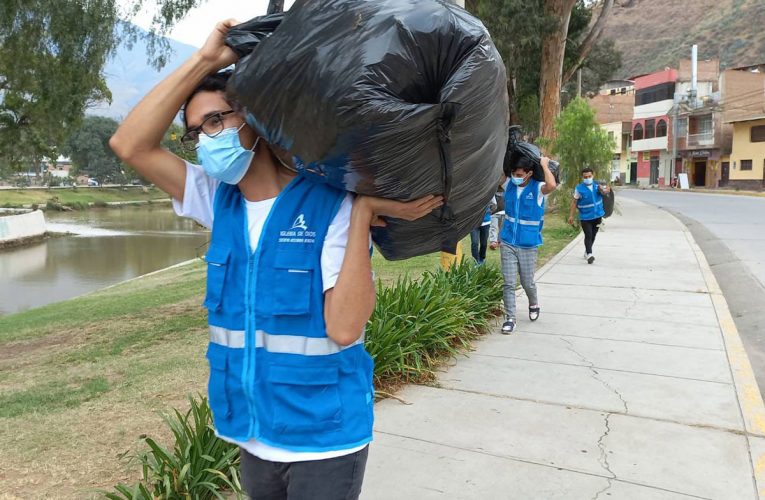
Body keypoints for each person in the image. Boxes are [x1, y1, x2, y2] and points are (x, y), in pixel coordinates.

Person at [109, 19, 443, 500]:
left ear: (255, 120)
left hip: (324, 436)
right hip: (252, 432)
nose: (208, 138)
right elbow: (130, 145)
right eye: (196, 132)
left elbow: (345, 328)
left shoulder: (331, 203)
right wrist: (206, 60)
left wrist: (363, 212)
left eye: (217, 120)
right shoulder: (215, 199)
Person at [499, 156, 556, 334]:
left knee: (527, 282)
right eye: (513, 174)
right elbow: (496, 173)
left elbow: (552, 186)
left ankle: (534, 303)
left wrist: (544, 165)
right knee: (508, 283)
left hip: (528, 245)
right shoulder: (509, 185)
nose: (515, 177)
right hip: (508, 241)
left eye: (519, 174)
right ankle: (510, 318)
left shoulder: (537, 188)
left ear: (529, 174)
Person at [568, 167, 610, 265]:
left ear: (593, 175)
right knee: (588, 235)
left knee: (594, 235)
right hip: (585, 217)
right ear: (582, 177)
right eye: (585, 177)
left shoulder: (598, 185)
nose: (587, 178)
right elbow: (574, 202)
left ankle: (587, 251)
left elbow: (607, 191)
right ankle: (590, 254)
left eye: (589, 176)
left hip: (597, 216)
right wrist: (571, 216)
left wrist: (604, 190)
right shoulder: (579, 188)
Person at [469, 199, 493, 264]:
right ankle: (476, 261)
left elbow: (494, 205)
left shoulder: (488, 191)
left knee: (484, 243)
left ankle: (482, 259)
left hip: (486, 222)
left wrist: (488, 212)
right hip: (473, 223)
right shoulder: (472, 194)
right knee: (474, 242)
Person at [489, 185, 505, 250]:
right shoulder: (492, 191)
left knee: (502, 228)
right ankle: (493, 242)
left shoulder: (506, 191)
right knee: (493, 227)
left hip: (504, 212)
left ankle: (499, 241)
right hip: (494, 213)